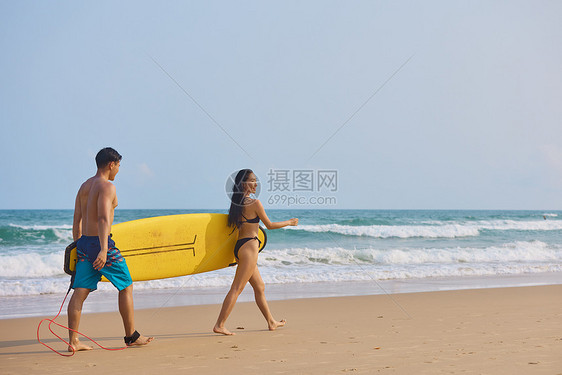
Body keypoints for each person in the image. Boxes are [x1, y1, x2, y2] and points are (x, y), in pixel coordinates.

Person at [67, 147, 153, 352]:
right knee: (126, 285)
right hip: (101, 243)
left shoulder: (84, 186)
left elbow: (76, 220)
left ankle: (73, 341)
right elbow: (104, 218)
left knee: (79, 292)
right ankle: (131, 336)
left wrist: (79, 247)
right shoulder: (107, 187)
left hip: (84, 244)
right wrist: (104, 250)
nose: (118, 171)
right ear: (111, 164)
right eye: (119, 166)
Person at [213, 169, 298, 335]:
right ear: (244, 183)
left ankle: (271, 321)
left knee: (260, 287)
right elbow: (270, 225)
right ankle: (220, 324)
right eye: (252, 181)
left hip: (239, 248)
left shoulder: (236, 205)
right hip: (250, 248)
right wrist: (290, 222)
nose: (256, 184)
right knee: (237, 288)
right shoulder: (255, 203)